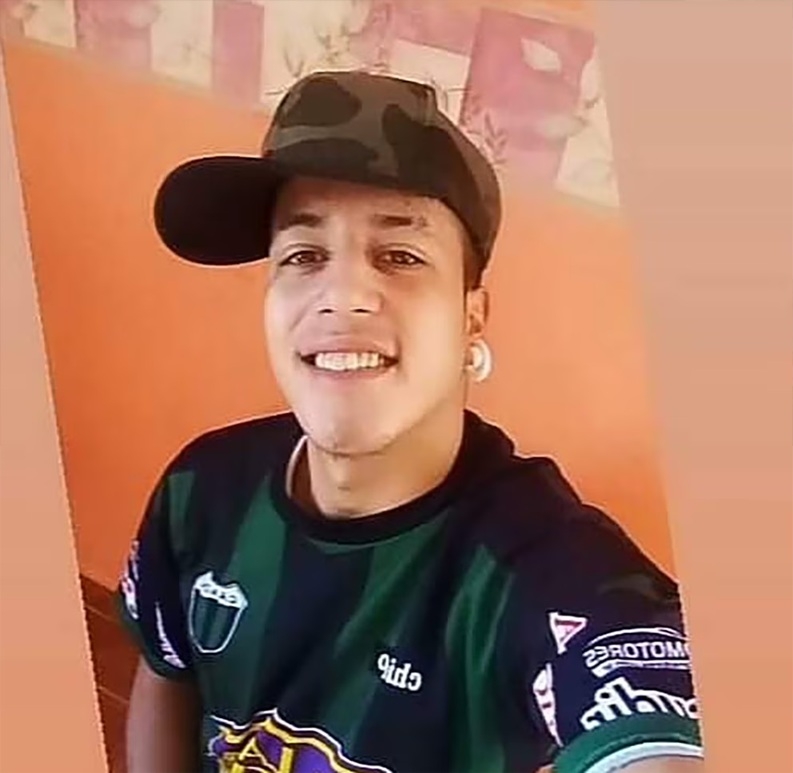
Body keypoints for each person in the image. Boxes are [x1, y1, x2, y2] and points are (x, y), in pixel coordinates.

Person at [117, 70, 704, 773]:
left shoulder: (536, 569)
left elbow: (652, 720)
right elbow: (167, 671)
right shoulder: (202, 486)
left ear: (471, 317)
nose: (342, 294)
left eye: (399, 256)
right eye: (303, 256)